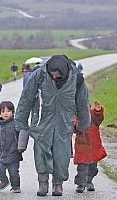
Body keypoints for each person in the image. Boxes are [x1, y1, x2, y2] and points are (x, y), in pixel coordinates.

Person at [15, 55, 91, 196]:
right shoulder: (39, 76)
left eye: (58, 76)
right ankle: (43, 183)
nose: (55, 78)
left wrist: (83, 123)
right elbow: (26, 99)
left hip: (64, 124)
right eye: (52, 75)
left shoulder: (77, 79)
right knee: (40, 153)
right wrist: (20, 122)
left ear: (64, 71)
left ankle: (58, 184)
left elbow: (83, 103)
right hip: (41, 123)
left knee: (61, 156)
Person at [0, 101, 29, 193]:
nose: (6, 113)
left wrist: (21, 146)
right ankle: (3, 180)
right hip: (1, 155)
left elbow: (23, 131)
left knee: (14, 172)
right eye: (3, 111)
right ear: (0, 113)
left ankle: (16, 186)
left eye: (8, 111)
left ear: (13, 112)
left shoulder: (16, 124)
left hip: (14, 154)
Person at [74, 100, 107, 193]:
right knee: (82, 168)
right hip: (82, 148)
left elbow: (99, 118)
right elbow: (73, 127)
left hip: (94, 148)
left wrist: (98, 111)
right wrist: (76, 124)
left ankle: (89, 182)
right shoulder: (77, 118)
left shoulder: (93, 116)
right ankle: (81, 184)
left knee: (93, 168)